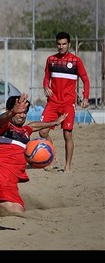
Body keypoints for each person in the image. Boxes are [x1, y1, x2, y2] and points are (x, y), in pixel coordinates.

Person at [39, 31, 90, 173]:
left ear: (69, 44)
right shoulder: (51, 60)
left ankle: (67, 167)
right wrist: (45, 86)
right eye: (59, 44)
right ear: (56, 44)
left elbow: (85, 80)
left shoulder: (75, 61)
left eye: (64, 44)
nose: (61, 47)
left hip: (68, 103)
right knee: (43, 131)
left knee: (67, 134)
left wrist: (85, 97)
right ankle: (53, 157)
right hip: (53, 102)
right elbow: (46, 77)